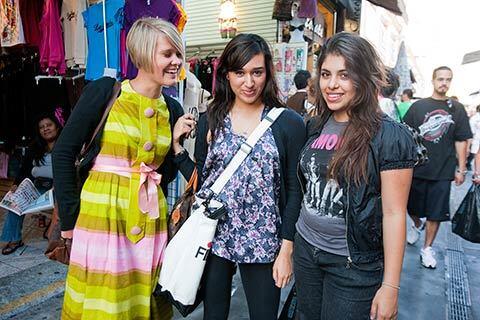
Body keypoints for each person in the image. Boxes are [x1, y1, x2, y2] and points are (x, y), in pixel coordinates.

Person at [53, 18, 185, 319]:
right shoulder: (106, 92)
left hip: (150, 219)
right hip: (102, 218)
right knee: (106, 302)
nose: (177, 61)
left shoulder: (173, 109)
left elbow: (166, 175)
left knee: (144, 299)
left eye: (178, 53)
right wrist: (70, 223)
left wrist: (177, 145)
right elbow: (63, 152)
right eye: (168, 54)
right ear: (142, 54)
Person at [172, 33, 306, 319]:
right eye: (240, 73)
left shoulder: (288, 123)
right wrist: (177, 150)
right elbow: (203, 182)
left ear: (267, 73)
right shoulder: (212, 118)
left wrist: (286, 249)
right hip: (214, 236)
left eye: (257, 72)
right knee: (213, 314)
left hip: (264, 239)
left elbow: (295, 190)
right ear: (227, 75)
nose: (249, 82)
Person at [294, 32, 416, 320]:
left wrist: (391, 285)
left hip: (353, 266)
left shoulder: (389, 136)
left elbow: (394, 213)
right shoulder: (315, 126)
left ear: (363, 77)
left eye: (344, 75)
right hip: (306, 251)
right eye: (326, 74)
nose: (332, 84)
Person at [403, 66, 472, 268]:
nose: (444, 83)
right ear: (433, 81)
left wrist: (461, 168)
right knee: (409, 206)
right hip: (417, 168)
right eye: (440, 79)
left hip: (443, 170)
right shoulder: (418, 107)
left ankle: (427, 249)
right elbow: (406, 135)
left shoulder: (456, 109)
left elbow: (461, 140)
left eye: (448, 79)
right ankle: (416, 223)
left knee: (436, 212)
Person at [1, 114, 61, 255]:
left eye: (49, 125)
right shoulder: (34, 148)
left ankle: (57, 235)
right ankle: (15, 239)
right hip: (38, 187)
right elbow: (24, 170)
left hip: (58, 187)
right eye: (42, 127)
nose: (46, 129)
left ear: (57, 127)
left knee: (63, 201)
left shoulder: (65, 145)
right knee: (16, 202)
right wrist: (16, 184)